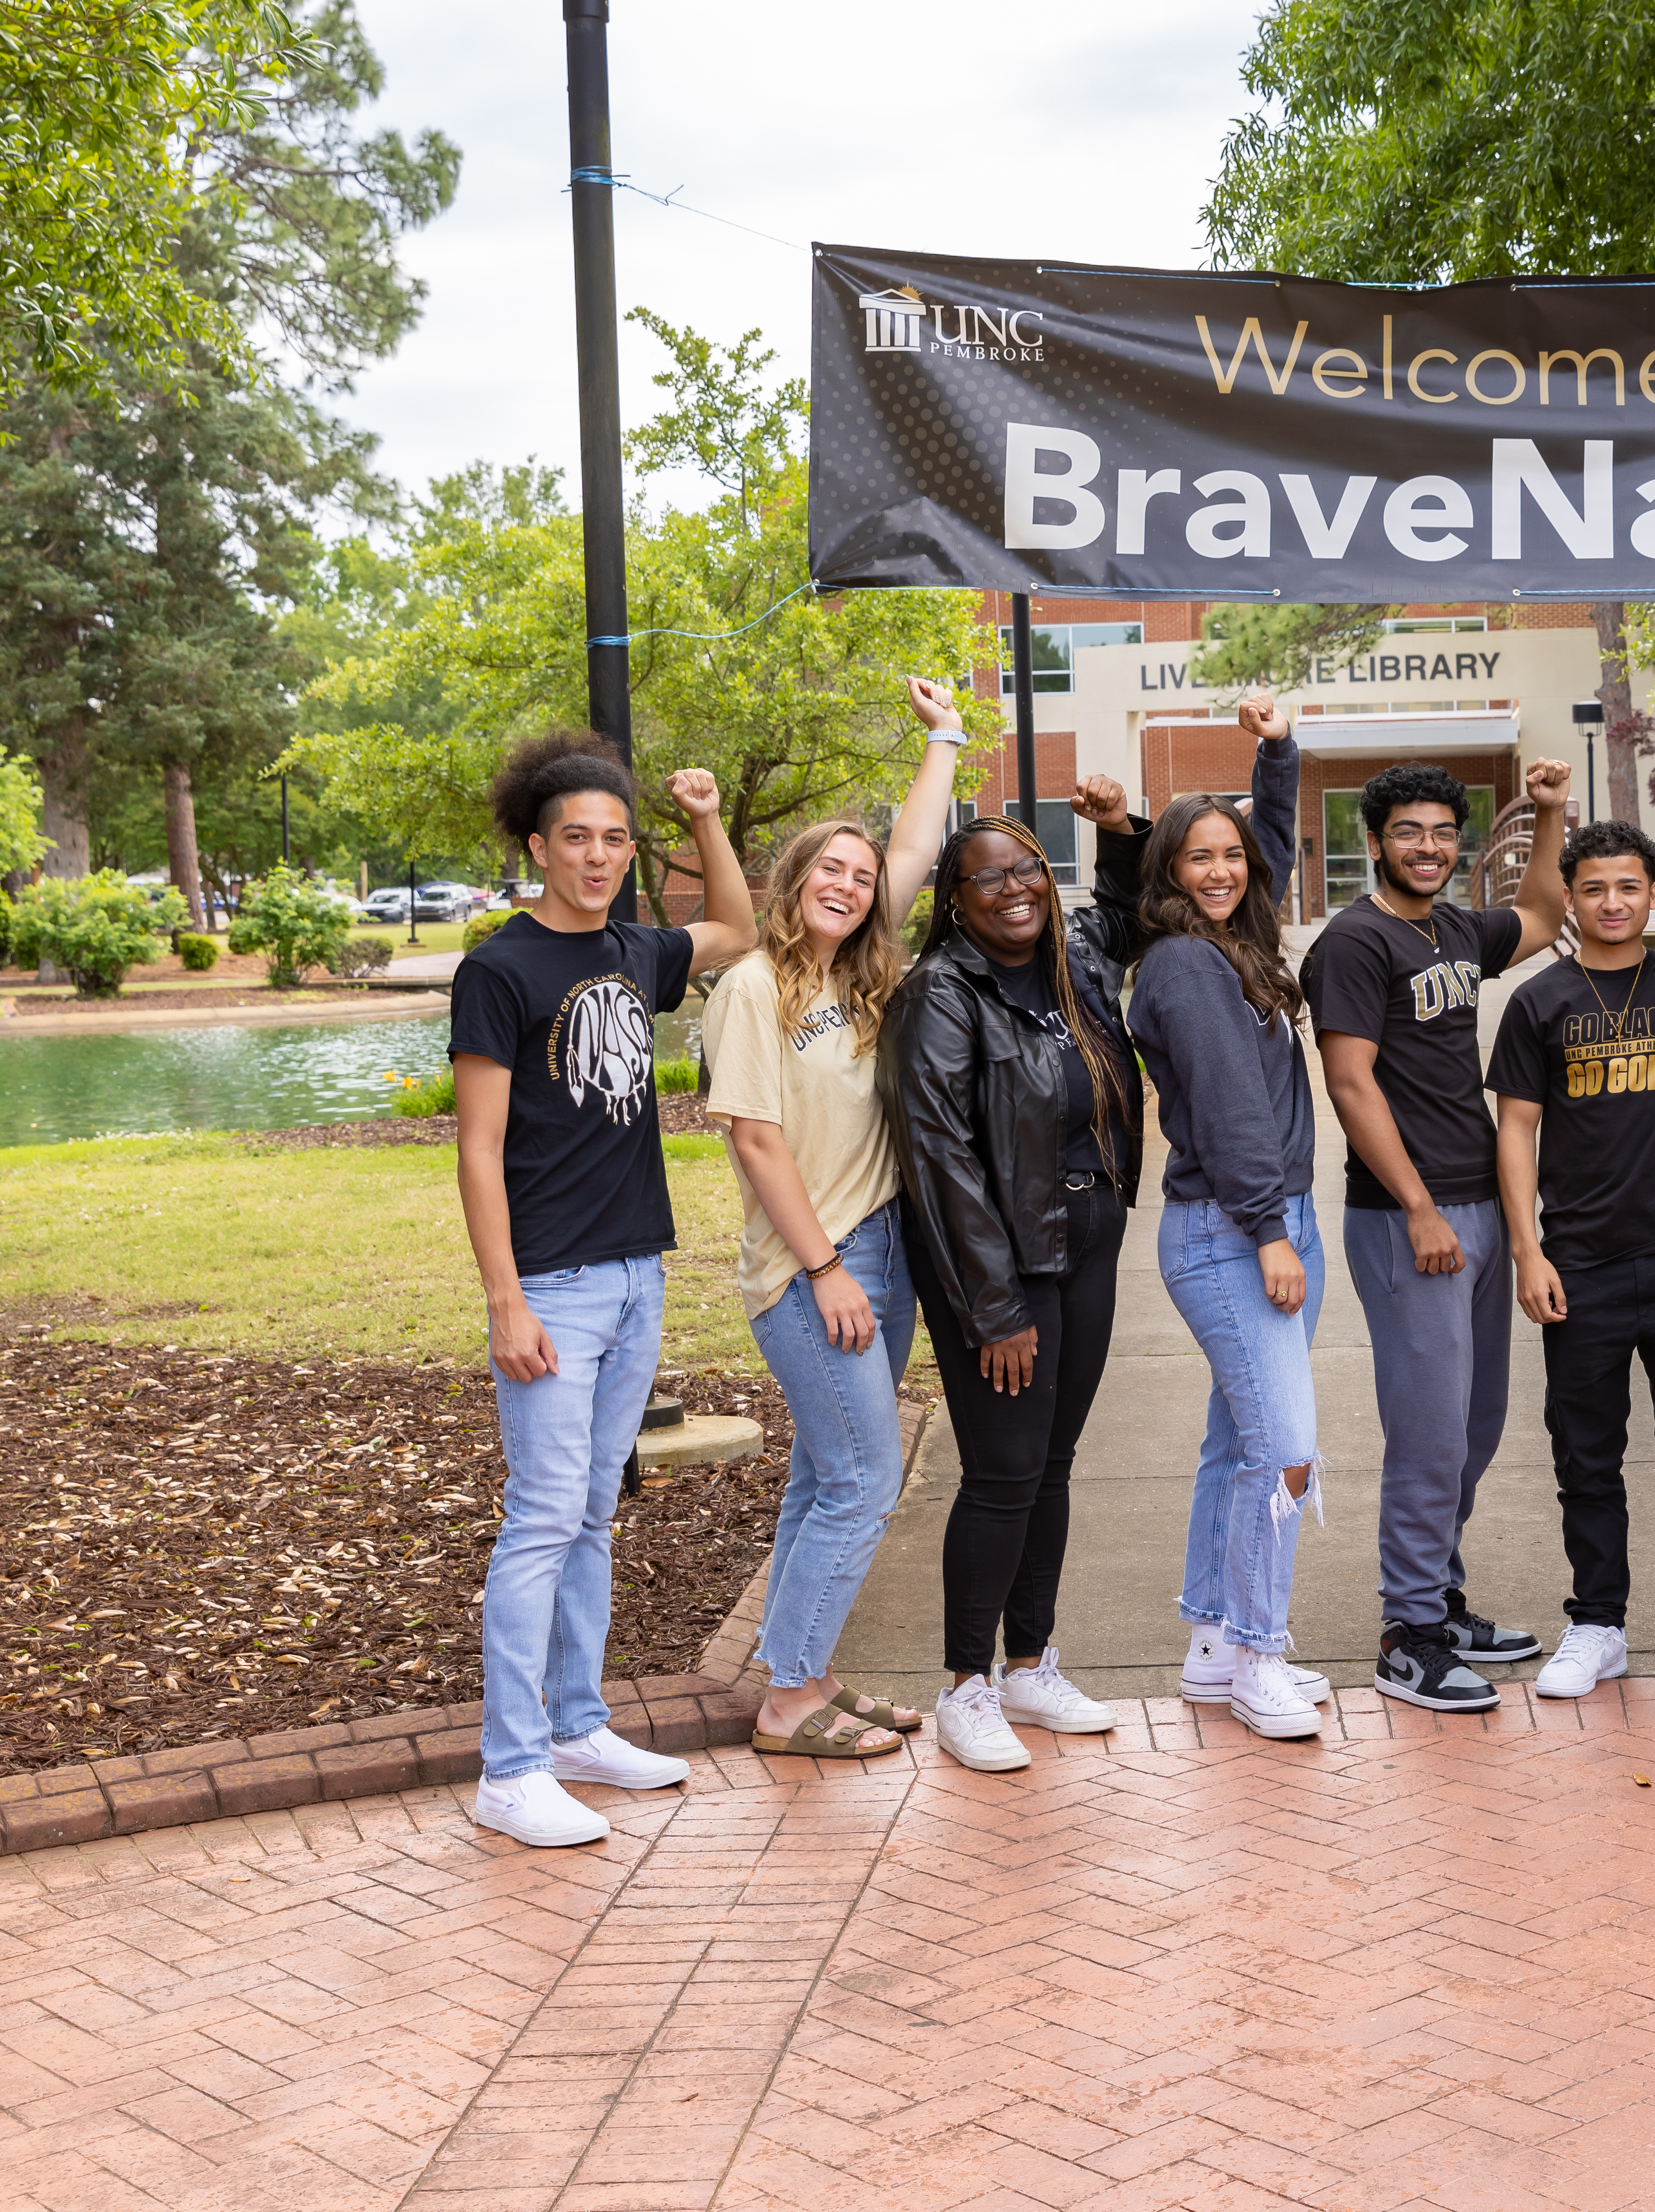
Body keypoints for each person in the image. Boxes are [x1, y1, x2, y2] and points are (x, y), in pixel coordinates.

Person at [448, 731, 759, 1848]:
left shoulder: (634, 947)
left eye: (615, 838)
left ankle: (578, 1728)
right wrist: (506, 1301)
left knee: (589, 1512)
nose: (597, 854)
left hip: (635, 1272)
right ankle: (510, 1765)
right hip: (552, 1282)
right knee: (540, 1518)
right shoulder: (500, 967)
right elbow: (478, 1149)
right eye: (575, 836)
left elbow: (737, 929)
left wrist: (707, 819)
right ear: (536, 844)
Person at [706, 675, 966, 1764]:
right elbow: (755, 1140)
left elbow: (913, 848)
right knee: (863, 1479)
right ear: (793, 878)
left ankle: (804, 1673)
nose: (852, 886)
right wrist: (825, 1267)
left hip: (886, 1248)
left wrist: (944, 737)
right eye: (831, 869)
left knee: (825, 1474)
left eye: (862, 878)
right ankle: (784, 1703)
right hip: (815, 1265)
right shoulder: (755, 987)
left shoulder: (858, 982)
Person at [884, 773, 1153, 1775]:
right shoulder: (941, 994)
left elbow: (1128, 907)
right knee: (1002, 1470)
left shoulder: (1074, 954)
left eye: (1025, 871)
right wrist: (995, 1306)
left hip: (1087, 1233)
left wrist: (1119, 827)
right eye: (985, 880)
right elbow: (941, 1157)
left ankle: (1031, 1661)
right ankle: (965, 1685)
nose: (1011, 890)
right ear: (955, 903)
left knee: (1053, 1461)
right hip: (998, 1255)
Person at [1301, 755, 1572, 1711]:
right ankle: (1408, 1632)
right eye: (1409, 831)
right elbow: (1349, 1082)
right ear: (1374, 841)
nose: (1428, 847)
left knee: (1475, 1422)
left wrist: (1548, 813)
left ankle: (1440, 1597)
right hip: (1406, 1214)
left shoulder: (1455, 926)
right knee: (1427, 1430)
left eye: (1443, 831)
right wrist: (1417, 1205)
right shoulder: (1355, 941)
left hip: (1482, 1206)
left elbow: (1539, 917)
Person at [1485, 829, 1655, 1698]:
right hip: (1581, 1263)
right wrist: (1529, 1252)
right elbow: (1518, 1130)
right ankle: (1598, 1623)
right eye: (1596, 888)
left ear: (1654, 896)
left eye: (1631, 887)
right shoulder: (1542, 1002)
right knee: (1587, 1457)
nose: (1614, 902)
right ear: (1569, 899)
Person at [1123, 698, 1327, 1740]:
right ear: (1165, 872)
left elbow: (1274, 845)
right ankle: (1257, 1650)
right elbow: (1230, 1108)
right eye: (1195, 858)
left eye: (1229, 855)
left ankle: (1210, 1641)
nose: (1220, 871)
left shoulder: (1233, 944)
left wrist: (1277, 751)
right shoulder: (1187, 967)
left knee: (1235, 1442)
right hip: (1235, 1228)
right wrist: (1269, 1230)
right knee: (1285, 1448)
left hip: (1265, 1219)